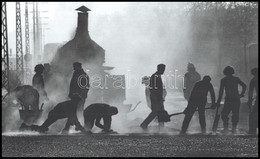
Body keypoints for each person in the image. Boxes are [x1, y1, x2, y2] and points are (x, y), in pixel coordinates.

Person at [216, 66, 246, 134]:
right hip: (236, 99)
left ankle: (226, 127)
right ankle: (233, 129)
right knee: (235, 113)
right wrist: (241, 95)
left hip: (229, 99)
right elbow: (244, 86)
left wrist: (218, 101)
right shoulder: (236, 79)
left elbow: (221, 91)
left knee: (224, 113)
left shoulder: (224, 80)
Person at [140, 64, 170, 131]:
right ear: (159, 69)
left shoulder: (156, 76)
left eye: (164, 69)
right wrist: (158, 98)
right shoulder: (155, 77)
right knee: (158, 113)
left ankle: (160, 129)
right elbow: (153, 89)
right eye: (162, 69)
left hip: (157, 98)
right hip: (156, 99)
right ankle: (146, 125)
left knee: (158, 113)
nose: (163, 70)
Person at [247, 68, 258, 135]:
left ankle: (253, 130)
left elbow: (250, 91)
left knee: (254, 114)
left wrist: (250, 100)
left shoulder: (253, 80)